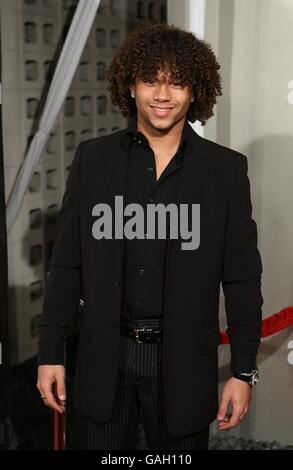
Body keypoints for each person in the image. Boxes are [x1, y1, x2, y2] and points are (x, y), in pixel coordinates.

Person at [37, 24, 263, 450]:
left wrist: (243, 370)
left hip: (183, 364)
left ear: (195, 90)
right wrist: (50, 350)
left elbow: (242, 278)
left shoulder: (226, 172)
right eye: (151, 80)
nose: (163, 95)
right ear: (131, 85)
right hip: (104, 354)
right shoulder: (93, 160)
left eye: (177, 82)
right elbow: (67, 263)